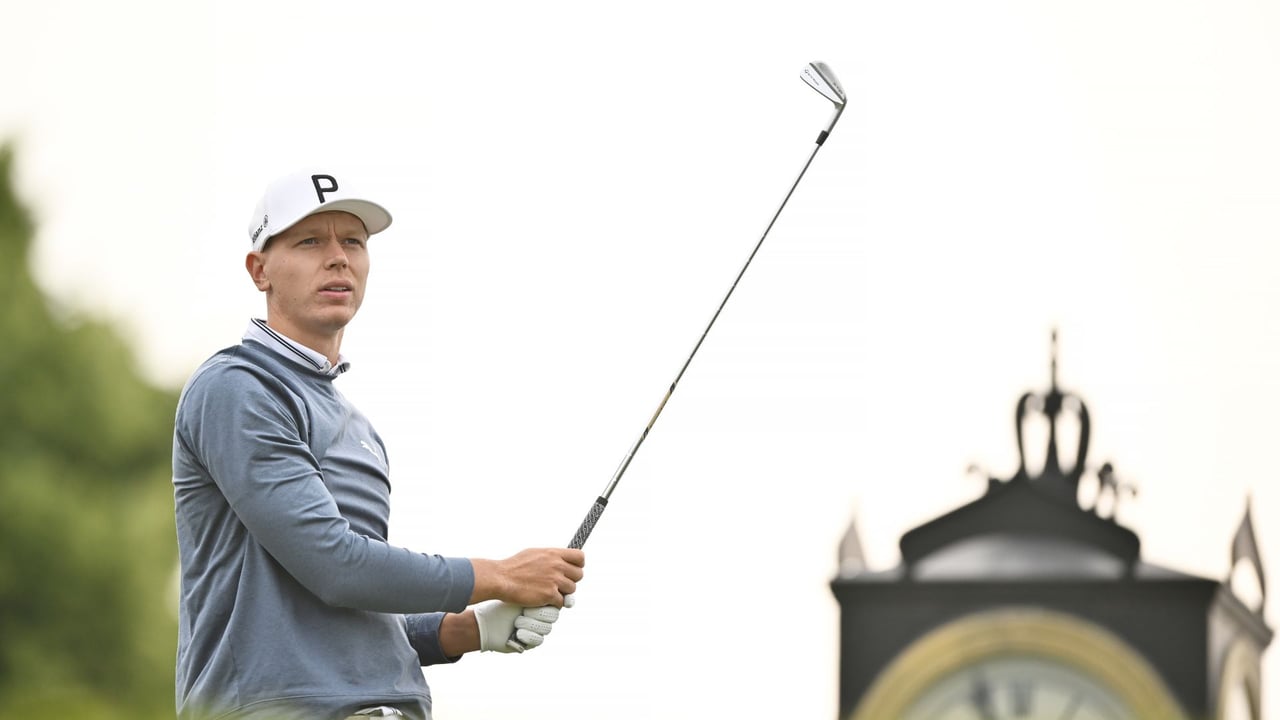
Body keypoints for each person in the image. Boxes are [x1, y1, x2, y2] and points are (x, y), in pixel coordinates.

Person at [171, 169, 585, 720]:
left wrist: (467, 629)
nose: (338, 257)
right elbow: (335, 566)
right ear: (259, 269)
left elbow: (354, 602)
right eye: (310, 240)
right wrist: (501, 574)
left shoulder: (359, 427)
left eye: (354, 242)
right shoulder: (238, 387)